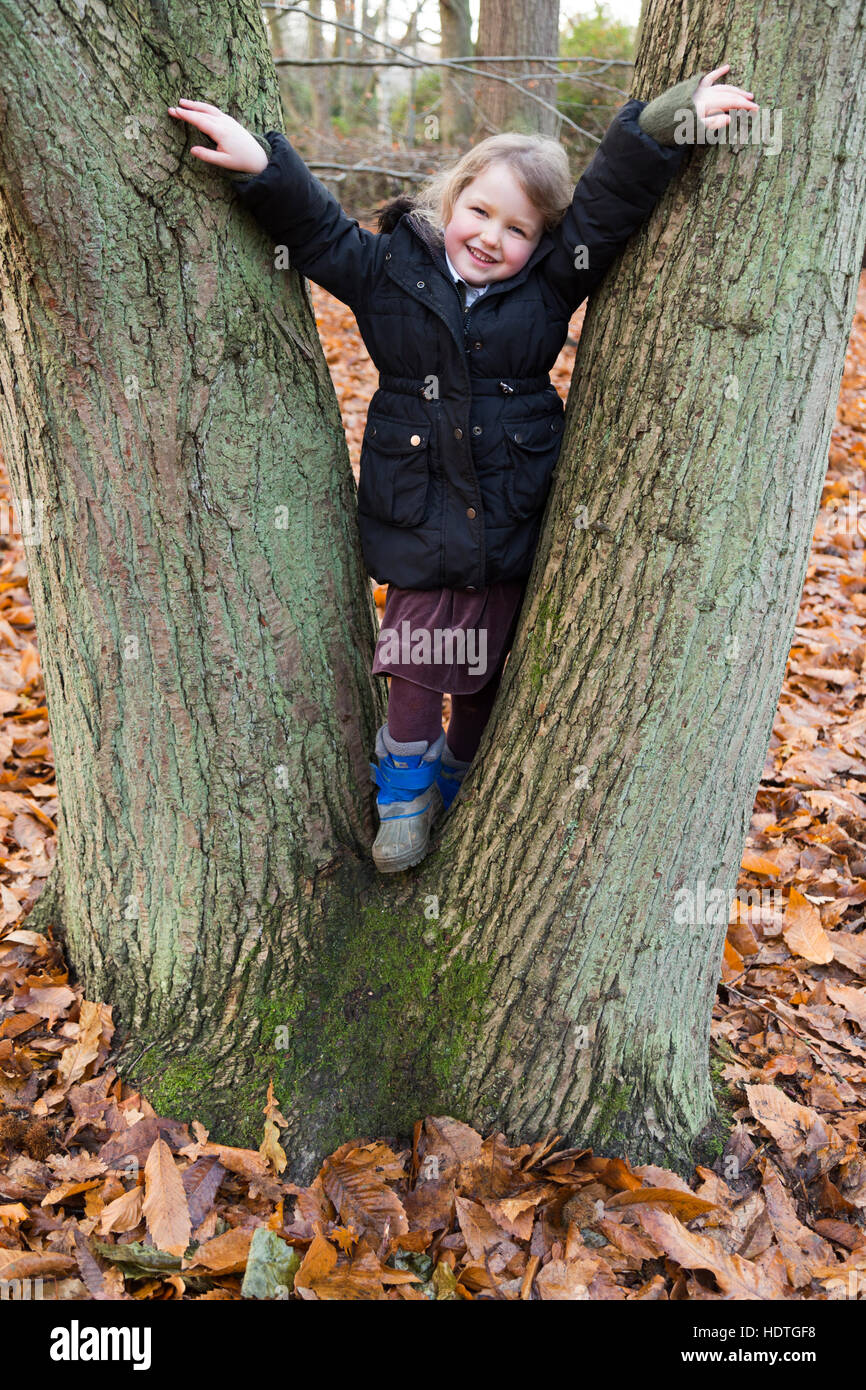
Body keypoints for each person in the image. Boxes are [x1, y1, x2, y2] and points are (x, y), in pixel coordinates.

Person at [168, 64, 757, 874]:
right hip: (417, 509)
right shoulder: (387, 272)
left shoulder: (549, 289)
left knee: (485, 670)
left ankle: (461, 772)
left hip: (512, 511)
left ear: (540, 242)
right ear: (449, 203)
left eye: (516, 229)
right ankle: (403, 792)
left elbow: (608, 209)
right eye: (478, 211)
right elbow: (317, 233)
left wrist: (662, 125)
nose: (490, 237)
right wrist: (266, 165)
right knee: (413, 658)